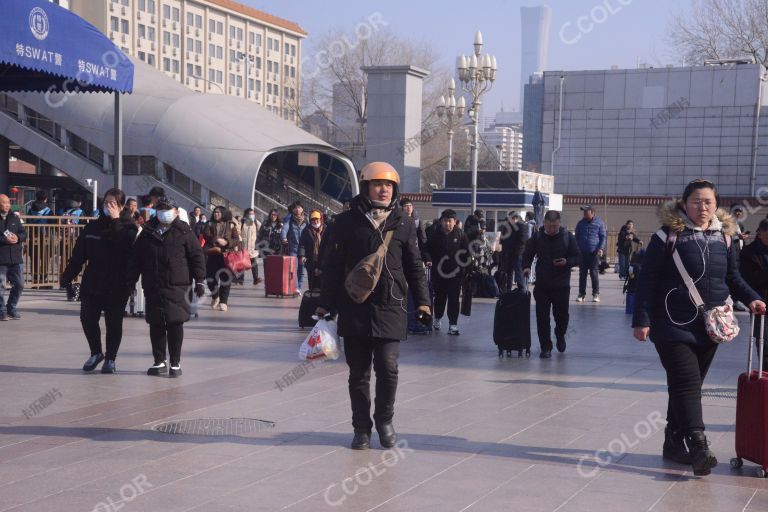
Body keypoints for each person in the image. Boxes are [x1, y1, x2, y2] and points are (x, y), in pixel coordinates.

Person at [632, 179, 766, 476]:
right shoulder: (665, 236)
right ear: (683, 204)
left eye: (708, 202)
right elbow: (648, 280)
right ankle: (698, 446)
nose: (702, 207)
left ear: (716, 205)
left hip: (710, 325)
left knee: (686, 387)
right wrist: (641, 320)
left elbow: (732, 278)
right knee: (687, 383)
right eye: (696, 201)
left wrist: (753, 298)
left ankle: (672, 441)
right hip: (671, 323)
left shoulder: (725, 238)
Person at [315, 162, 431, 450]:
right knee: (358, 373)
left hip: (392, 306)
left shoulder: (403, 222)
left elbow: (414, 265)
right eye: (378, 184)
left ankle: (384, 420)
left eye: (389, 185)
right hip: (355, 307)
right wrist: (324, 304)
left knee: (388, 368)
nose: (383, 189)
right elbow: (331, 266)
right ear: (365, 187)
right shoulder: (344, 222)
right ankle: (361, 428)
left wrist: (425, 303)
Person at [60, 188, 138, 373]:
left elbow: (124, 245)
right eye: (106, 203)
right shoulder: (92, 227)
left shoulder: (129, 227)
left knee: (113, 322)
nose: (108, 207)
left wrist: (116, 220)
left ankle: (111, 358)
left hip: (117, 283)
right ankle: (96, 352)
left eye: (112, 204)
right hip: (93, 280)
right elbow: (79, 255)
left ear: (120, 206)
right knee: (87, 318)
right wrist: (67, 276)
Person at [128, 197, 206, 377]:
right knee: (155, 323)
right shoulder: (147, 231)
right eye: (161, 208)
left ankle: (175, 362)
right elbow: (136, 257)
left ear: (176, 211)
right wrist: (131, 279)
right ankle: (159, 361)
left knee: (175, 323)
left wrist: (200, 280)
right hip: (153, 284)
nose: (164, 212)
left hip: (177, 284)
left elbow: (197, 257)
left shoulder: (184, 231)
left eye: (168, 209)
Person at [522, 210, 581, 358]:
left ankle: (560, 335)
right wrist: (526, 266)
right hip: (542, 284)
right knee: (542, 317)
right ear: (544, 224)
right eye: (549, 226)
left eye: (555, 226)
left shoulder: (567, 237)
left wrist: (567, 262)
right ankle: (545, 347)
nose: (552, 230)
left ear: (559, 224)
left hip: (561, 285)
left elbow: (578, 257)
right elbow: (527, 253)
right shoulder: (538, 236)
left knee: (562, 317)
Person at [423, 209, 469, 335]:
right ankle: (437, 319)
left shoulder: (461, 235)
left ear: (454, 222)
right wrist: (428, 259)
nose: (447, 224)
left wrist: (467, 270)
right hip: (438, 273)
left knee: (454, 299)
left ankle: (453, 324)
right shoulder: (434, 234)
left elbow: (467, 254)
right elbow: (426, 249)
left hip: (456, 274)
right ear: (441, 222)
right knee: (439, 298)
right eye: (445, 221)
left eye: (450, 221)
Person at [740, 219, 768, 369]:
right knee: (764, 342)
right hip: (760, 303)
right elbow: (748, 280)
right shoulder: (749, 252)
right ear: (761, 232)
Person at [202, 206, 240, 311]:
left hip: (226, 255)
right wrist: (217, 239)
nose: (216, 214)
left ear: (224, 213)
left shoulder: (231, 225)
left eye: (218, 212)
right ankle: (215, 296)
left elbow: (236, 239)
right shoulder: (209, 223)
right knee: (210, 278)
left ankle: (223, 301)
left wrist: (227, 242)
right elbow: (206, 235)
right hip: (213, 254)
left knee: (226, 279)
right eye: (215, 212)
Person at [0, 194, 27, 321]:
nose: (6, 205)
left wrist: (18, 238)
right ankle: (1, 311)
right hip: (1, 258)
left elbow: (23, 233)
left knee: (20, 284)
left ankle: (11, 307)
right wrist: (4, 240)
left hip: (15, 257)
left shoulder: (15, 217)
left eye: (8, 203)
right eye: (3, 203)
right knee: (1, 286)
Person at [575, 205, 606, 302]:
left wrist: (601, 249)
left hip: (594, 253)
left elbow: (603, 237)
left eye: (586, 212)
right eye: (583, 212)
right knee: (582, 274)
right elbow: (576, 237)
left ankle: (595, 294)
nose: (584, 214)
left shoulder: (599, 223)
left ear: (592, 213)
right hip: (582, 253)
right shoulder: (580, 223)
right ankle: (581, 294)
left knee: (594, 273)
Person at [27, 190, 53, 284]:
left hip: (33, 235)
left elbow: (28, 221)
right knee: (45, 257)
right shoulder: (48, 210)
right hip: (45, 236)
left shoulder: (30, 209)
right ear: (45, 199)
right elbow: (53, 224)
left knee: (34, 256)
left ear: (36, 198)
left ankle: (34, 277)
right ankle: (43, 277)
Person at [281, 201, 308, 294]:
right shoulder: (290, 219)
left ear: (302, 209)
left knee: (301, 269)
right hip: (293, 248)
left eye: (299, 207)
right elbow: (285, 228)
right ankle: (296, 288)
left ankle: (299, 287)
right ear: (292, 210)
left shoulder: (306, 220)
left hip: (304, 249)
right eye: (295, 208)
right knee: (294, 268)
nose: (297, 209)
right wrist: (284, 237)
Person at [500, 211, 529, 290]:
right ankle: (508, 289)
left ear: (515, 218)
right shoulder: (509, 226)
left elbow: (523, 240)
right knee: (508, 272)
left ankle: (521, 290)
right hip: (509, 253)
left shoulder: (522, 225)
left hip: (518, 253)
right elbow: (504, 239)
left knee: (518, 272)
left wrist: (513, 248)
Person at [298, 210, 325, 290]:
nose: (315, 221)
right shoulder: (306, 231)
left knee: (322, 281)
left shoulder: (326, 229)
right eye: (313, 219)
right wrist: (302, 256)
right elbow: (302, 244)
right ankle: (312, 297)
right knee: (312, 281)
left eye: (317, 219)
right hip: (311, 260)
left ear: (321, 219)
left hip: (323, 260)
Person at [239, 207, 262, 285]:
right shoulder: (242, 222)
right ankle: (240, 279)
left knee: (254, 263)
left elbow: (262, 230)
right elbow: (238, 232)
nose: (251, 215)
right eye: (250, 214)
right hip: (243, 247)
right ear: (246, 214)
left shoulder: (255, 222)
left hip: (253, 247)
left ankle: (256, 279)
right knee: (242, 264)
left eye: (253, 214)